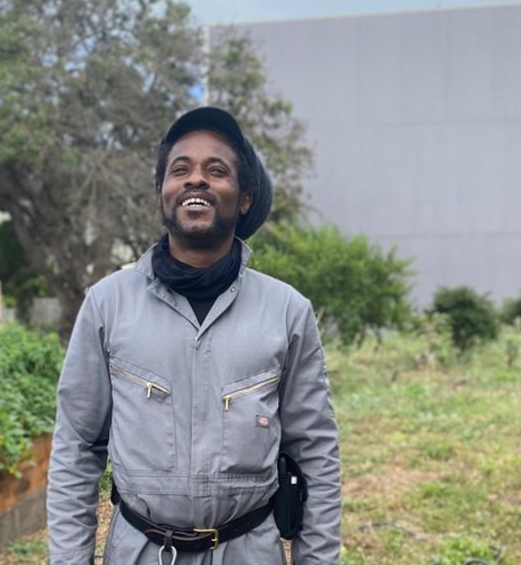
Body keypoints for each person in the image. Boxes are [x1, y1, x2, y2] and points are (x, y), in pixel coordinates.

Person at [47, 106, 341, 565]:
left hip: (250, 552)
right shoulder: (108, 304)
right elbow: (76, 446)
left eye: (216, 170)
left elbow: (315, 452)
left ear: (245, 198)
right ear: (162, 193)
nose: (196, 179)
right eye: (180, 170)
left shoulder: (286, 311)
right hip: (139, 552)